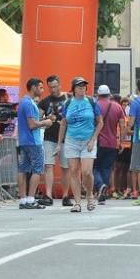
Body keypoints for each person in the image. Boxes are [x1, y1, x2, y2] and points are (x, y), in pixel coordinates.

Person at [57, 77, 103, 212]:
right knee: (73, 171)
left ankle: (89, 195)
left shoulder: (92, 101)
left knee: (87, 172)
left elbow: (100, 122)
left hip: (88, 140)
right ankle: (77, 203)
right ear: (74, 89)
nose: (82, 88)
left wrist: (93, 139)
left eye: (84, 86)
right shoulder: (68, 103)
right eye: (79, 86)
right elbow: (63, 123)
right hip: (72, 140)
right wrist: (59, 143)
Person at [16, 78, 51, 210]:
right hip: (33, 141)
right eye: (40, 87)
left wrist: (41, 121)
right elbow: (32, 124)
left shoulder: (23, 102)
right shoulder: (29, 103)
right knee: (37, 169)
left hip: (24, 140)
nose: (42, 90)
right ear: (34, 87)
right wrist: (45, 122)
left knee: (23, 169)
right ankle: (31, 198)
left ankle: (23, 199)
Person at [38, 75, 69, 206]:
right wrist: (46, 119)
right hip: (50, 137)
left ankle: (66, 195)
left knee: (66, 167)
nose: (53, 89)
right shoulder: (44, 101)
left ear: (60, 85)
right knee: (48, 166)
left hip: (66, 138)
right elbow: (37, 120)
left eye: (55, 86)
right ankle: (48, 195)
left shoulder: (68, 99)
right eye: (50, 87)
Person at [95, 84, 124, 203]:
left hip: (97, 142)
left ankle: (100, 185)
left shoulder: (95, 105)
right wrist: (121, 141)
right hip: (112, 143)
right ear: (109, 94)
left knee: (94, 167)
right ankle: (103, 193)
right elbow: (122, 125)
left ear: (98, 94)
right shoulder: (117, 107)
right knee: (107, 168)